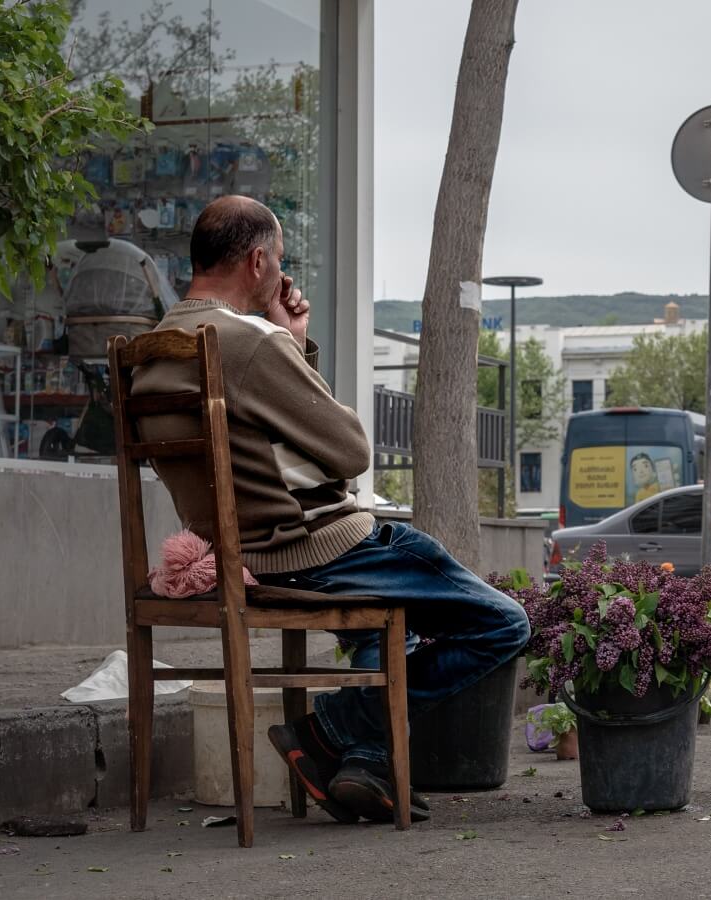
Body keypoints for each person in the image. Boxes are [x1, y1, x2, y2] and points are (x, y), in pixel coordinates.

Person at [132, 196, 531, 825]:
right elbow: (350, 452)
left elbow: (256, 441)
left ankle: (361, 765)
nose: (279, 271)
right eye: (279, 259)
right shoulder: (247, 342)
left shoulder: (154, 348)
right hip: (314, 550)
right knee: (504, 623)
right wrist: (285, 344)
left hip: (242, 557)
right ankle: (329, 732)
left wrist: (287, 345)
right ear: (258, 261)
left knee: (380, 627)